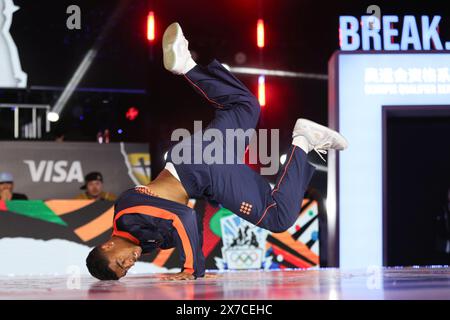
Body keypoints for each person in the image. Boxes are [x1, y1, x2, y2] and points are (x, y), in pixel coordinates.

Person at [86, 22, 347, 281]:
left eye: (121, 262)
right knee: (244, 107)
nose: (130, 263)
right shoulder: (143, 239)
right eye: (126, 269)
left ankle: (303, 140)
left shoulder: (127, 213)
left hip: (201, 169)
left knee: (277, 217)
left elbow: (185, 215)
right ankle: (186, 64)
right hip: (191, 160)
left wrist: (192, 270)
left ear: (107, 246)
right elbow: (188, 225)